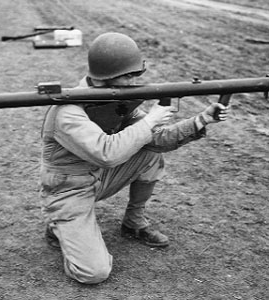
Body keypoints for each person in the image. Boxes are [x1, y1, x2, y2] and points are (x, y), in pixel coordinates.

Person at [39, 32, 230, 284]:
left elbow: (158, 140)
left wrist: (202, 119)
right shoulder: (68, 111)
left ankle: (133, 222)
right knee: (94, 272)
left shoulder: (113, 99)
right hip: (68, 191)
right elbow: (107, 153)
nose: (134, 81)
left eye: (135, 75)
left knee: (149, 153)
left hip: (99, 179)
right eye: (128, 75)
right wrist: (150, 120)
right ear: (106, 75)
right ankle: (60, 227)